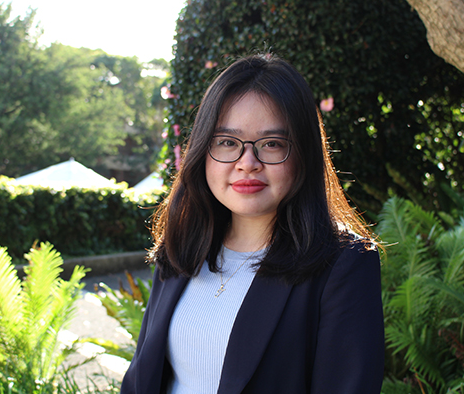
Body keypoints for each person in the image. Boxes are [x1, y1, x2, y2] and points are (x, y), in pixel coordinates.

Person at [120, 54, 384, 394]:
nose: (248, 163)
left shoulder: (344, 264)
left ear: (303, 154)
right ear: (203, 151)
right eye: (228, 142)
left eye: (272, 144)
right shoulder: (183, 246)